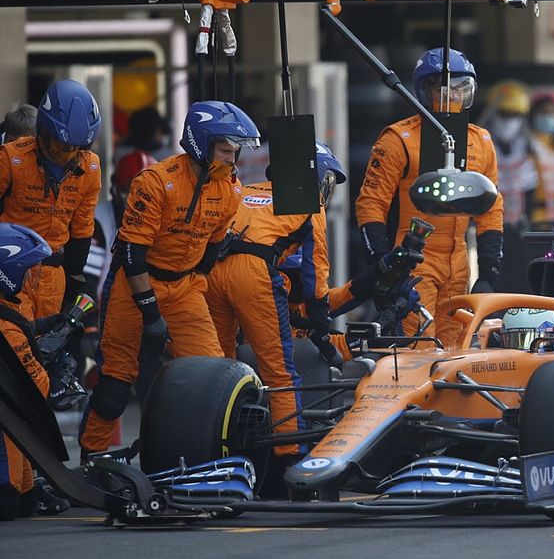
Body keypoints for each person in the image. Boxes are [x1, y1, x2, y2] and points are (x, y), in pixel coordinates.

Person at [78, 100, 255, 457]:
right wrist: (151, 313)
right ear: (201, 145)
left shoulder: (232, 191)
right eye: (225, 151)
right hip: (134, 284)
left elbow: (214, 249)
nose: (232, 161)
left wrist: (195, 288)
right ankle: (91, 460)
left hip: (185, 287)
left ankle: (203, 459)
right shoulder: (155, 183)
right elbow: (132, 255)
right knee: (114, 385)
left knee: (214, 380)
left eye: (236, 153)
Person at [205, 142, 344, 466]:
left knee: (220, 368)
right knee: (280, 372)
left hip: (212, 270)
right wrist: (319, 311)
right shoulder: (307, 202)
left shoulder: (244, 189)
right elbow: (314, 266)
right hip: (253, 275)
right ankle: (288, 456)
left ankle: (215, 454)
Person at [355, 48, 504, 348]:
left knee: (454, 348)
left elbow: (491, 209)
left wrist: (488, 271)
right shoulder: (398, 139)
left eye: (463, 88)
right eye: (443, 88)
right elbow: (371, 203)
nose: (453, 96)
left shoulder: (481, 141)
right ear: (424, 92)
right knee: (417, 348)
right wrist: (383, 265)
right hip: (414, 261)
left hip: (459, 262)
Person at [0, 80, 102, 320]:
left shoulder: (91, 168)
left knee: (48, 348)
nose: (68, 152)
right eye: (62, 144)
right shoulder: (11, 158)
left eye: (77, 146)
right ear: (44, 132)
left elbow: (83, 227)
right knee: (16, 343)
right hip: (11, 267)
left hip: (54, 275)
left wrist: (76, 277)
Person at [0, 224, 54, 520]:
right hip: (8, 452)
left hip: (15, 449)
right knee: (14, 506)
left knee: (25, 504)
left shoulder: (9, 315)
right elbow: (38, 388)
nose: (31, 278)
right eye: (27, 270)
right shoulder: (8, 326)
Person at [480, 80, 537, 292]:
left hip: (516, 225)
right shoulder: (480, 143)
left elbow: (530, 185)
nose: (509, 121)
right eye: (505, 114)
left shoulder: (525, 145)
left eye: (515, 116)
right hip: (486, 226)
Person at [527, 91, 554, 228]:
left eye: (553, 113)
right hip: (536, 220)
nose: (548, 116)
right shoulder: (528, 144)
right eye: (543, 112)